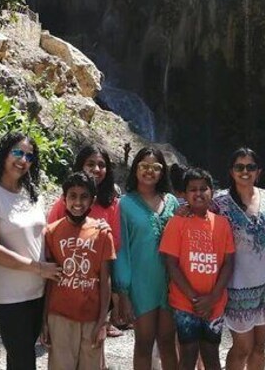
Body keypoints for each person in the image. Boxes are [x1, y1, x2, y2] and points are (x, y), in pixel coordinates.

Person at [0, 132, 61, 370]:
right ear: (4, 154)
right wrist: (38, 268)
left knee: (20, 358)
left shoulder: (33, 195)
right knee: (23, 359)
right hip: (8, 295)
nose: (23, 160)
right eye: (18, 152)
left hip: (38, 291)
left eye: (29, 156)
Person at [212, 148, 265, 370]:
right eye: (239, 167)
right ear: (231, 172)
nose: (245, 171)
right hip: (237, 285)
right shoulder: (219, 203)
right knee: (242, 346)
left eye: (250, 167)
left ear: (258, 171)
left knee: (260, 346)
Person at [160, 168, 235, 370]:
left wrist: (212, 298)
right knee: (187, 355)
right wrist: (195, 298)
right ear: (184, 194)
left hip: (215, 302)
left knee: (211, 356)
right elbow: (171, 264)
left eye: (204, 188)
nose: (198, 193)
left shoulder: (222, 224)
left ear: (212, 192)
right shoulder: (177, 223)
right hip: (185, 302)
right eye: (193, 189)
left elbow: (229, 263)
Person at [114, 147, 180, 370]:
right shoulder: (125, 204)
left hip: (170, 282)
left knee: (168, 344)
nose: (149, 171)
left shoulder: (172, 202)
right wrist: (123, 292)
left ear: (162, 172)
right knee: (143, 343)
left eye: (156, 167)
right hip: (140, 284)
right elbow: (121, 249)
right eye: (144, 166)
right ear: (135, 169)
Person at [47, 145, 124, 335]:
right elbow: (50, 237)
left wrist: (101, 237)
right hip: (67, 278)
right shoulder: (63, 203)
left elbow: (117, 240)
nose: (96, 169)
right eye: (90, 164)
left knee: (94, 338)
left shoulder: (112, 203)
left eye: (101, 165)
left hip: (98, 277)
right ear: (80, 166)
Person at [42, 171, 115, 370]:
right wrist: (44, 319)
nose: (78, 202)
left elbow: (105, 279)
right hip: (60, 315)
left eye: (84, 197)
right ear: (64, 199)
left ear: (92, 202)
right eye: (72, 196)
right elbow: (50, 279)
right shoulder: (51, 232)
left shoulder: (102, 234)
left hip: (92, 317)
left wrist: (103, 319)